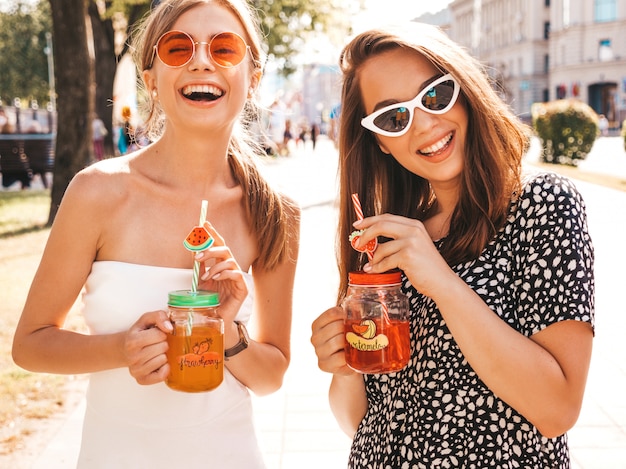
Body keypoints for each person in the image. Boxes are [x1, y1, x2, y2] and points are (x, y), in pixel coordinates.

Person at [12, 0, 300, 467]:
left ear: (253, 79)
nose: (202, 60)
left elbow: (270, 378)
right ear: (150, 80)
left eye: (224, 48)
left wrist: (226, 329)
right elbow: (30, 345)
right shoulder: (97, 192)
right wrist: (121, 348)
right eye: (177, 47)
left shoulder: (275, 211)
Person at [310, 24, 594, 468]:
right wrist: (345, 369)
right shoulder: (390, 240)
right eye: (394, 118)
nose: (424, 124)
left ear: (464, 90)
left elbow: (557, 409)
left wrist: (441, 281)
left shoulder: (543, 206)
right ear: (379, 142)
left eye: (436, 95)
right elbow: (365, 424)